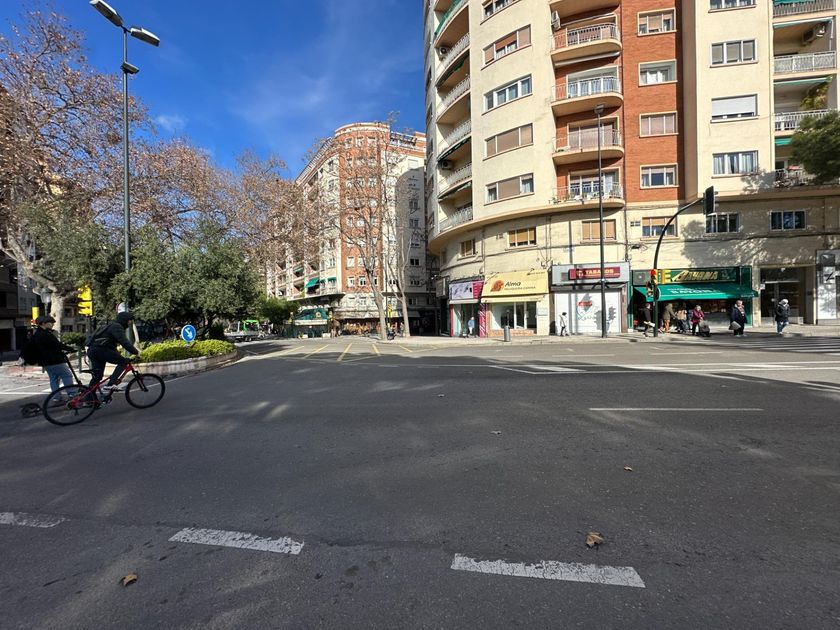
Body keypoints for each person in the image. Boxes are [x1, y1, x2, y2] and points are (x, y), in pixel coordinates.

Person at [86, 311, 141, 396]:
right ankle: (111, 384)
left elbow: (110, 345)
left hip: (93, 350)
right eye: (130, 320)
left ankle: (89, 399)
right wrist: (136, 352)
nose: (131, 322)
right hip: (101, 350)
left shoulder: (110, 326)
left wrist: (118, 355)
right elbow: (124, 342)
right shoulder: (117, 327)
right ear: (125, 320)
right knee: (123, 362)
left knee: (97, 377)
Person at [28, 315, 77, 393]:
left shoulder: (37, 334)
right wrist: (70, 349)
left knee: (54, 378)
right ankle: (72, 394)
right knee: (66, 375)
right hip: (54, 360)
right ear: (43, 323)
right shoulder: (45, 334)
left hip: (45, 361)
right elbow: (57, 345)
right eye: (51, 322)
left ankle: (56, 397)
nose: (53, 324)